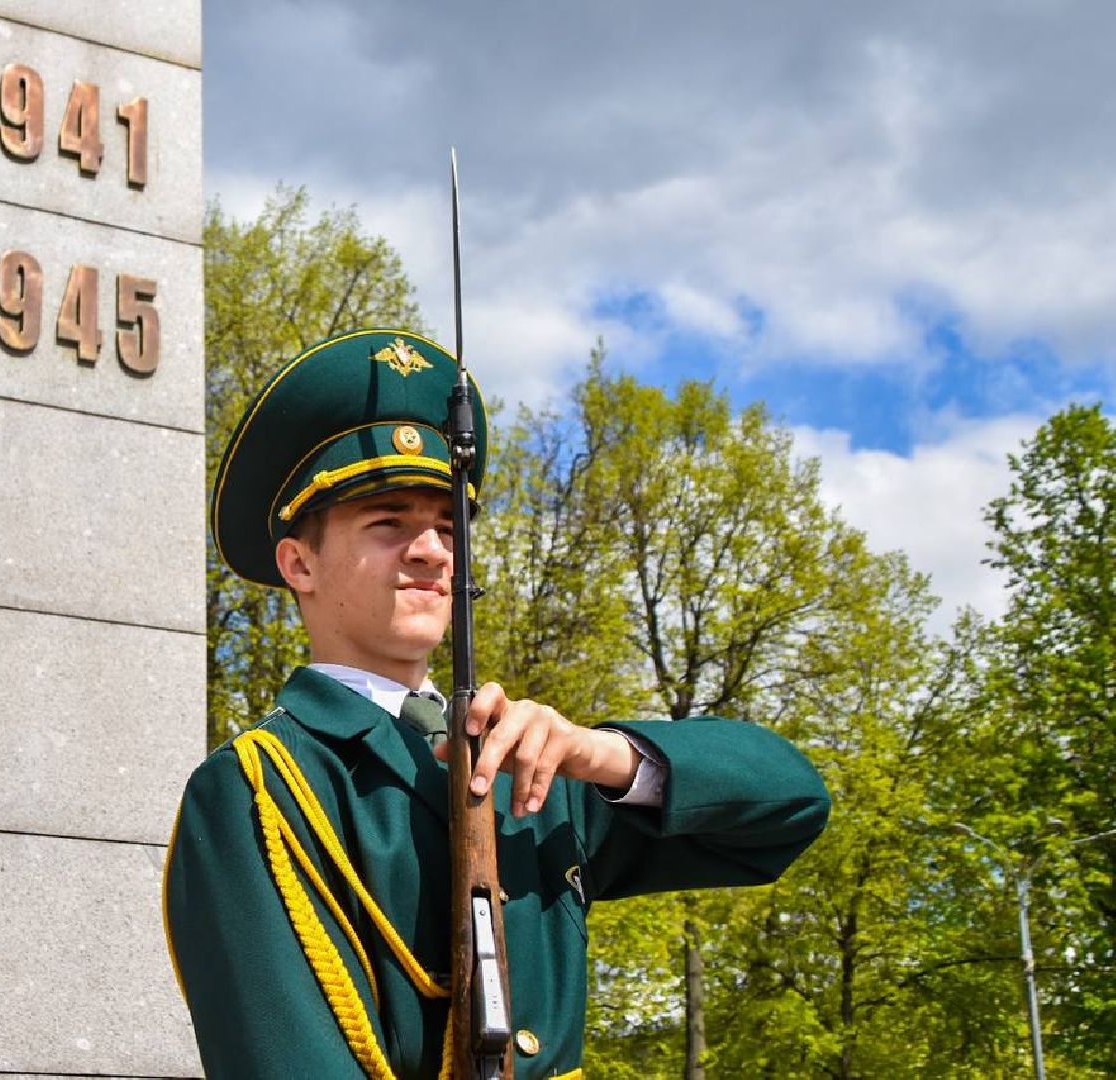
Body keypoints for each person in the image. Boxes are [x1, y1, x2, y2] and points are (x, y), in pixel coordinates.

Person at [164, 329, 831, 1079]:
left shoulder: (529, 772)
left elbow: (790, 806)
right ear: (300, 562)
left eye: (447, 528)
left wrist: (600, 754)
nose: (431, 551)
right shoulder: (262, 786)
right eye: (387, 523)